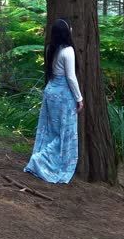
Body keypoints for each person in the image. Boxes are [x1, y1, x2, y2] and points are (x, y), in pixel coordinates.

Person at [23, 18, 84, 184]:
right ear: (66, 32)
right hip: (63, 94)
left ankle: (41, 160)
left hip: (51, 91)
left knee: (49, 130)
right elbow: (71, 77)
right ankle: (40, 161)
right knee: (63, 133)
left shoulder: (50, 48)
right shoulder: (68, 51)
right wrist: (79, 98)